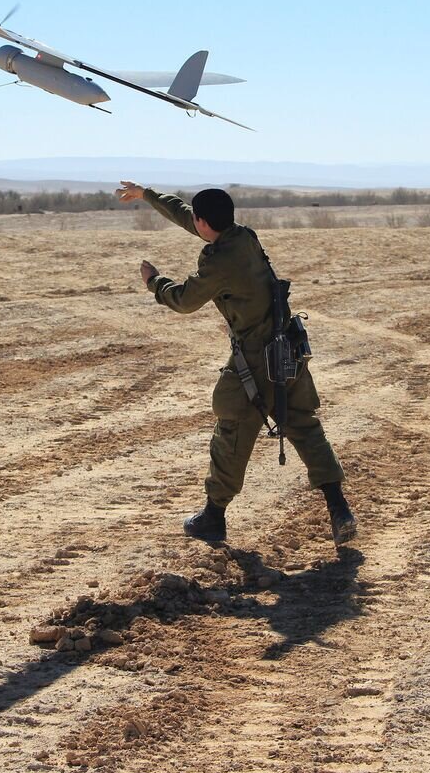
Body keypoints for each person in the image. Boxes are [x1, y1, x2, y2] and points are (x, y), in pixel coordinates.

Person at [115, 180, 356, 546]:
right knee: (305, 426)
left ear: (204, 223)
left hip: (257, 358)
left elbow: (183, 300)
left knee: (232, 427)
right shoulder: (242, 237)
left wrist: (154, 282)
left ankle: (213, 517)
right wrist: (148, 195)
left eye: (197, 220)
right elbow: (189, 218)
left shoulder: (220, 260)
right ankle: (340, 510)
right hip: (286, 346)